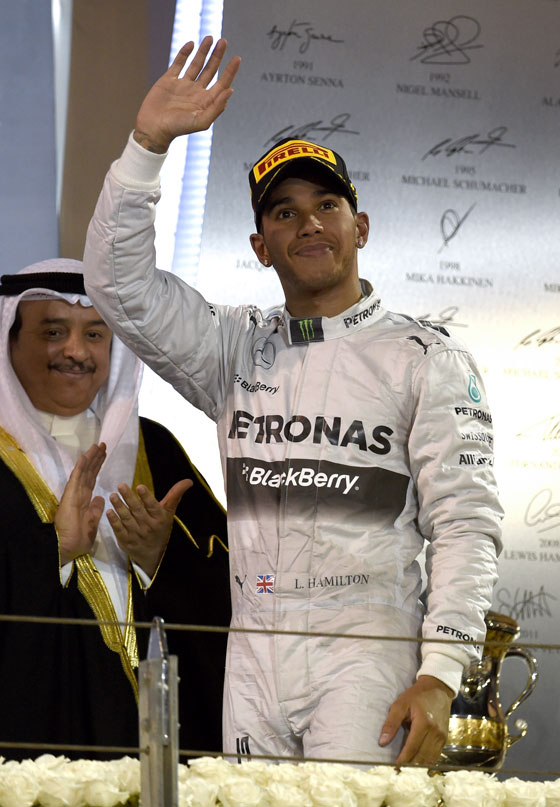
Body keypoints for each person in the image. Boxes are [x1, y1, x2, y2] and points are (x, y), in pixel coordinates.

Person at [83, 38, 503, 766]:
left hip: (367, 654)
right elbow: (118, 286)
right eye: (284, 212)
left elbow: (466, 524)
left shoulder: (427, 358)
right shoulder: (233, 346)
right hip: (254, 652)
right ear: (260, 244)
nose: (308, 223)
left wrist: (441, 673)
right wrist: (146, 147)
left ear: (359, 227)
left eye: (326, 205)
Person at [0, 258, 229, 760]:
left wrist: (159, 559)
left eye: (95, 335)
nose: (75, 351)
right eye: (53, 332)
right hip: (34, 736)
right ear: (10, 339)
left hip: (154, 741)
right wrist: (54, 550)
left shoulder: (156, 449)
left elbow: (229, 592)